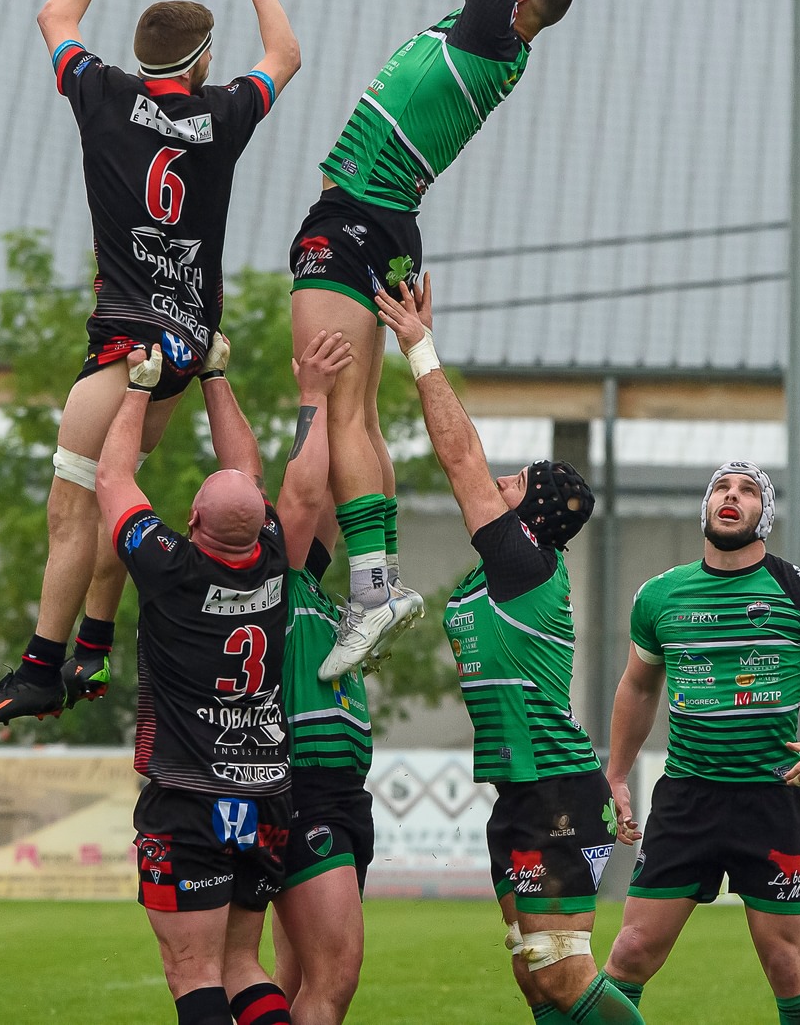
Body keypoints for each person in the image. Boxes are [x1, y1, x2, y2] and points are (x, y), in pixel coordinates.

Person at [293, 0, 609, 681]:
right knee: (353, 412)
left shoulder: (485, 31)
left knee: (332, 402)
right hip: (386, 223)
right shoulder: (500, 43)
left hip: (355, 215)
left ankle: (368, 582)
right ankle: (363, 579)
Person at [0, 0, 301, 725]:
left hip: (125, 343)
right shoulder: (220, 115)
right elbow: (285, 53)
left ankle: (41, 667)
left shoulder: (101, 94)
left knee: (72, 506)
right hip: (184, 341)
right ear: (203, 60)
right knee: (121, 485)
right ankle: (97, 652)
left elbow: (54, 15)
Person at [375, 276, 646, 1025]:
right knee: (535, 976)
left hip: (558, 786)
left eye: (516, 481)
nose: (497, 482)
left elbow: (460, 457)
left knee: (561, 972)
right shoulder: (499, 570)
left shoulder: (525, 562)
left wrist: (419, 347)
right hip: (522, 792)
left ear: (533, 514)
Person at [92, 329, 349, 1025]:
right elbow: (250, 475)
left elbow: (113, 479)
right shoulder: (271, 560)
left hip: (188, 796)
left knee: (192, 970)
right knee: (243, 965)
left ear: (193, 521)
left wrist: (140, 388)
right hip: (265, 794)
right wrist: (214, 376)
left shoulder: (169, 568)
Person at [601, 462, 800, 1025]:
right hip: (687, 799)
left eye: (747, 491)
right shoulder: (660, 596)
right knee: (629, 953)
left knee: (787, 964)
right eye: (721, 487)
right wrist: (617, 775)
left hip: (769, 800)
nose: (731, 496)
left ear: (763, 513)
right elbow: (638, 686)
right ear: (706, 505)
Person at [271, 499, 374, 1025]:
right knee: (334, 976)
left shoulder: (316, 593)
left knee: (293, 982)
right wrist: (328, 411)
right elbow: (309, 496)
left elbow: (340, 499)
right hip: (309, 790)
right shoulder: (284, 586)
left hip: (343, 792)